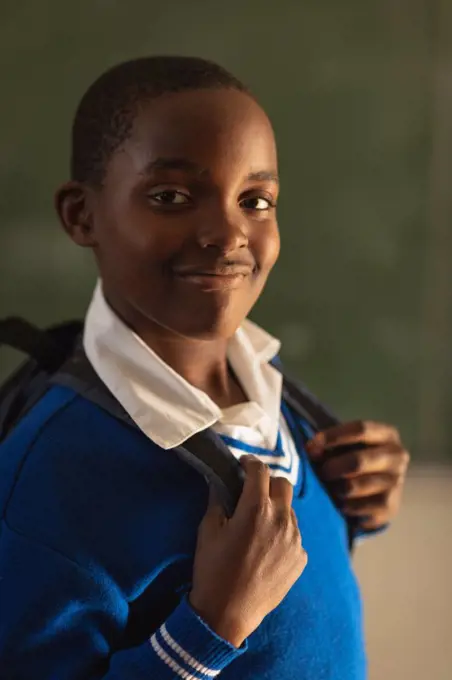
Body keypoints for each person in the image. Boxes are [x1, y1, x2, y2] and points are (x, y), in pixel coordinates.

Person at [0, 56, 410, 679]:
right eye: (172, 197)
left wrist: (355, 500)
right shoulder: (46, 482)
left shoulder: (280, 402)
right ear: (82, 215)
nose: (228, 233)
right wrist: (210, 628)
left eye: (256, 199)